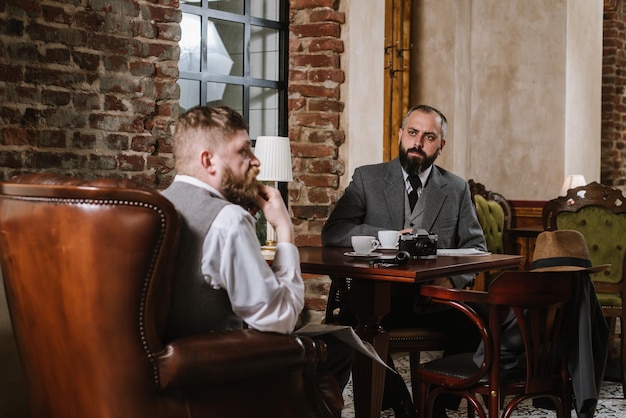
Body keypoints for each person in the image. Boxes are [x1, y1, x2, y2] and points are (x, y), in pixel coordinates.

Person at [162, 106, 353, 404]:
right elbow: (280, 320)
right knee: (339, 348)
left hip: (167, 376)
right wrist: (285, 229)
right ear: (208, 160)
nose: (256, 161)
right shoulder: (228, 220)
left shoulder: (159, 204)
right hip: (216, 375)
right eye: (243, 151)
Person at [322, 104, 487, 418]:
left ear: (441, 145)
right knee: (362, 325)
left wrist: (452, 280)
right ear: (400, 135)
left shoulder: (455, 188)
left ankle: (439, 403)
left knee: (477, 319)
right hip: (379, 298)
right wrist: (390, 235)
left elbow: (476, 246)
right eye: (412, 133)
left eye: (429, 136)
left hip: (433, 298)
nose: (418, 142)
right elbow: (333, 232)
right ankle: (399, 402)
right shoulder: (368, 179)